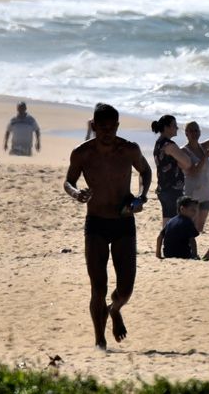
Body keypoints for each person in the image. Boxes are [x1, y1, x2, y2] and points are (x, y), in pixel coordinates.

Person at [64, 103, 152, 350]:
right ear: (93, 126)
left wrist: (141, 196)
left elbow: (146, 171)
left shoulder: (128, 150)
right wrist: (76, 193)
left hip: (124, 221)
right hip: (96, 224)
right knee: (98, 287)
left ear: (118, 126)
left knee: (125, 290)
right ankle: (100, 340)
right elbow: (68, 181)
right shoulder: (82, 153)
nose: (107, 132)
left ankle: (115, 310)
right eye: (102, 128)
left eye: (112, 128)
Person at [152, 115, 203, 227]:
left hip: (163, 187)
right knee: (174, 221)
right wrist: (180, 163)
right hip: (172, 188)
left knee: (167, 220)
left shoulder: (159, 143)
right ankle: (169, 243)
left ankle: (166, 242)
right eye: (174, 125)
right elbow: (188, 163)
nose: (177, 128)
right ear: (166, 127)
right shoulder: (169, 145)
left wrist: (178, 162)